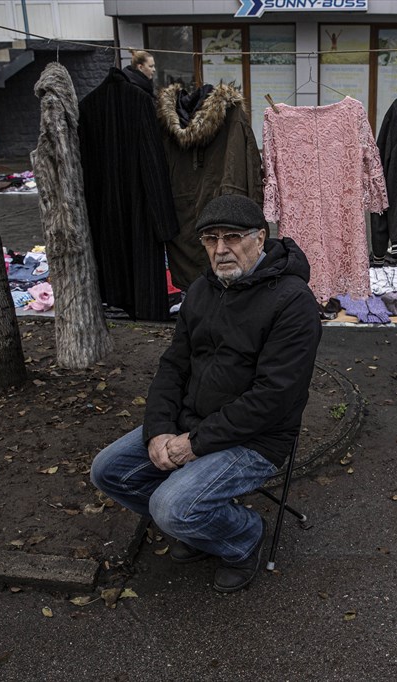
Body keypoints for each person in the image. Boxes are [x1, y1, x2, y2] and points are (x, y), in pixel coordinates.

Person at [90, 194, 322, 593]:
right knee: (107, 471)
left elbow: (273, 398)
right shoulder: (202, 289)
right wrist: (160, 430)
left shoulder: (292, 302)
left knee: (171, 507)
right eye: (210, 239)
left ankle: (243, 537)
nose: (220, 249)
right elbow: (173, 366)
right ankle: (202, 527)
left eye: (232, 237)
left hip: (257, 439)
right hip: (191, 422)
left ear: (260, 238)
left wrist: (193, 444)